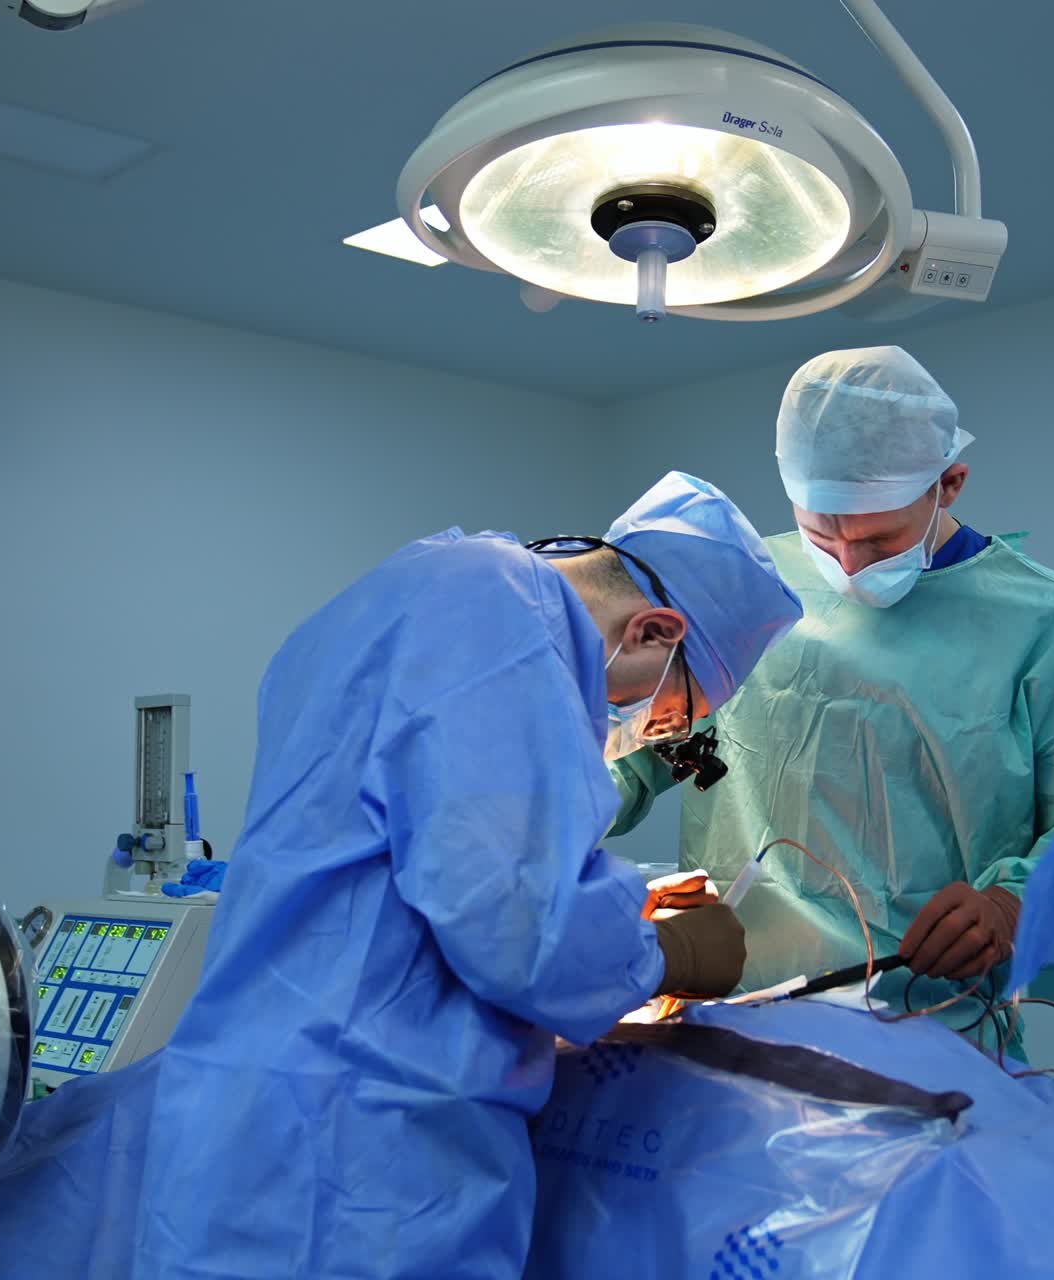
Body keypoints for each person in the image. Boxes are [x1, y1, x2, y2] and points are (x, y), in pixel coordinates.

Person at [130, 471, 802, 1279]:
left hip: (247, 1123)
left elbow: (419, 871)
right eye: (666, 718)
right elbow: (523, 931)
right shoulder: (501, 622)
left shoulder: (399, 597)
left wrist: (601, 911)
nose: (637, 734)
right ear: (655, 630)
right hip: (361, 1160)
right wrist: (667, 953)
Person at [609, 348, 1054, 1044]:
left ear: (951, 483)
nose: (846, 567)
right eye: (822, 535)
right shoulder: (747, 587)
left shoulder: (1047, 624)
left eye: (878, 540)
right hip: (731, 1012)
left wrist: (1010, 905)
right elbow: (628, 754)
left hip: (936, 1025)